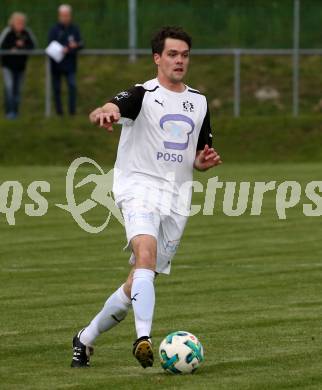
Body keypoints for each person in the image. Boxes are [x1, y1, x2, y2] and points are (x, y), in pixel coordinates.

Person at [71, 26, 222, 369]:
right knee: (145, 252)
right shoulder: (143, 94)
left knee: (138, 279)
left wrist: (202, 162)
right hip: (138, 187)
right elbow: (114, 104)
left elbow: (197, 154)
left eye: (184, 55)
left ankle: (85, 338)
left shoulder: (198, 101)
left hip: (175, 199)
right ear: (157, 58)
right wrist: (103, 112)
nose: (179, 60)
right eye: (172, 54)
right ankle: (143, 338)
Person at [48, 4, 83, 115]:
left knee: (72, 87)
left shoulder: (74, 29)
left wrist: (74, 47)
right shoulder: (54, 29)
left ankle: (72, 113)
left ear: (70, 16)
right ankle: (59, 113)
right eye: (63, 15)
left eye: (67, 15)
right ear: (59, 16)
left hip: (70, 65)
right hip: (56, 65)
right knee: (57, 90)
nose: (65, 17)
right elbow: (50, 45)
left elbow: (81, 44)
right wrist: (64, 48)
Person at [0, 12, 36, 119]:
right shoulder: (8, 32)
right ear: (13, 22)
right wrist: (12, 48)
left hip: (21, 67)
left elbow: (33, 46)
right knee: (9, 87)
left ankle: (16, 111)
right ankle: (9, 112)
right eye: (18, 23)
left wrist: (23, 46)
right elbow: (2, 45)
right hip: (8, 66)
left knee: (18, 90)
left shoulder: (26, 32)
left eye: (22, 23)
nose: (20, 25)